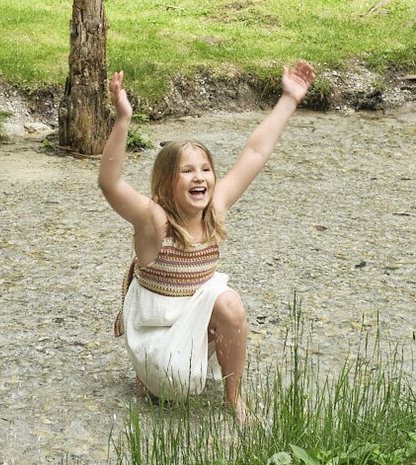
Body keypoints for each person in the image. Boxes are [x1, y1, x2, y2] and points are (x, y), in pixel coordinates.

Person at [99, 61, 317, 424]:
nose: (199, 177)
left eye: (205, 169)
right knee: (179, 388)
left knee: (229, 303)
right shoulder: (155, 222)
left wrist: (289, 99)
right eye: (187, 171)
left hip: (187, 324)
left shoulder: (214, 209)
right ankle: (151, 374)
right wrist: (123, 120)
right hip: (156, 338)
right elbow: (110, 184)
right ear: (166, 184)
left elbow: (254, 154)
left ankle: (235, 401)